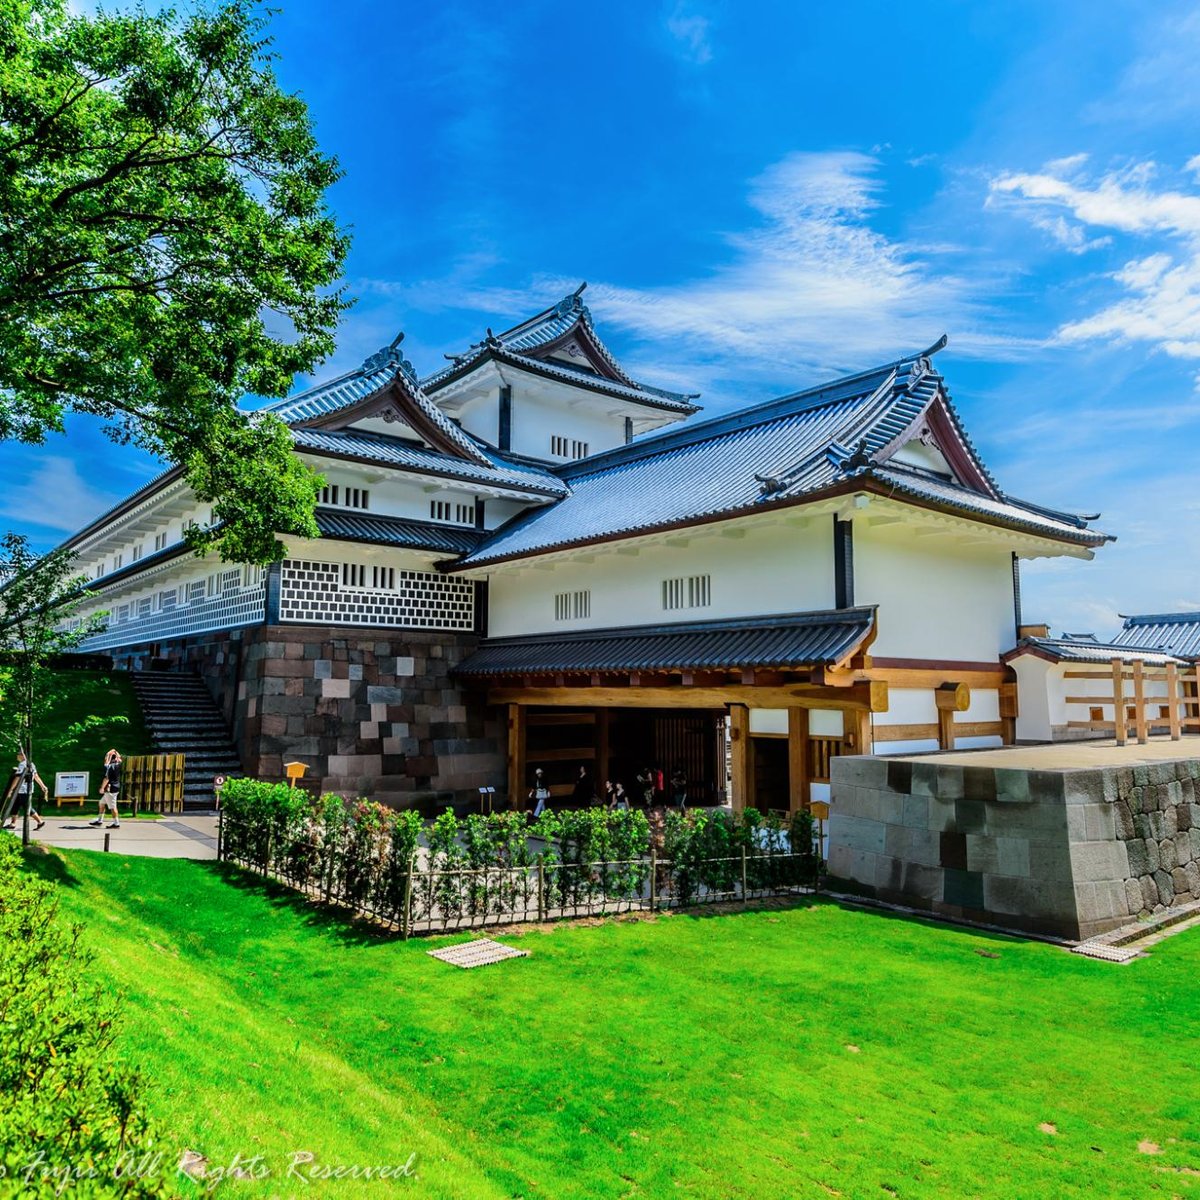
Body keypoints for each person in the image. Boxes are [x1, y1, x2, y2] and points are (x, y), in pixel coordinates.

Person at [2, 749, 47, 831]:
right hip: (26, 789)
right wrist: (42, 786)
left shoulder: (22, 764)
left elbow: (17, 778)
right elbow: (36, 776)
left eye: (18, 754)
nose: (17, 756)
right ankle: (13, 823)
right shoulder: (31, 764)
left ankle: (40, 821)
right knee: (15, 805)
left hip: (22, 789)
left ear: (23, 755)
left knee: (27, 807)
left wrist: (11, 789)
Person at [89, 749, 123, 829]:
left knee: (113, 807)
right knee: (101, 803)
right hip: (115, 787)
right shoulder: (118, 763)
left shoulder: (108, 767)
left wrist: (102, 788)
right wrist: (114, 751)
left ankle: (116, 823)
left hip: (110, 789)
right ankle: (100, 820)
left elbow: (106, 779)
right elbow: (119, 757)